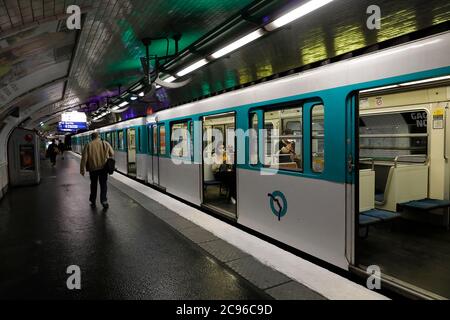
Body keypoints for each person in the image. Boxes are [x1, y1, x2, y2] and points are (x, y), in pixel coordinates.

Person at [80, 132, 114, 209]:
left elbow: (84, 158)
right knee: (103, 185)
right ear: (99, 136)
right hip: (103, 168)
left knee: (93, 185)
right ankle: (104, 201)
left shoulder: (88, 145)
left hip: (93, 169)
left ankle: (93, 200)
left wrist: (82, 169)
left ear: (92, 137)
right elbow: (112, 153)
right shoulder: (105, 143)